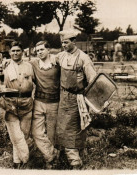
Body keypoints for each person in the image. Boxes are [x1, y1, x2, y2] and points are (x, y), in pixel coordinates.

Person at [56, 30, 97, 169]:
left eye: (66, 42)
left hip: (78, 98)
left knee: (75, 129)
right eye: (62, 42)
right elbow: (44, 61)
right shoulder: (60, 56)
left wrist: (93, 99)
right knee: (63, 128)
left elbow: (93, 79)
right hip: (63, 97)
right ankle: (67, 157)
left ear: (74, 42)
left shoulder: (84, 58)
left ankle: (76, 162)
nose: (63, 45)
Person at [2, 41, 34, 169]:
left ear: (23, 52)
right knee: (16, 135)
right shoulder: (4, 67)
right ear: (9, 53)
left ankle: (19, 163)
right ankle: (22, 160)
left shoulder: (30, 66)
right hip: (11, 105)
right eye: (13, 51)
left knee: (24, 135)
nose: (15, 53)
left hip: (26, 105)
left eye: (18, 50)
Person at [29, 41, 60, 168]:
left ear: (48, 50)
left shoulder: (57, 62)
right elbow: (20, 64)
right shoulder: (34, 63)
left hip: (54, 103)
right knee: (36, 132)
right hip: (38, 102)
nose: (39, 52)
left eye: (42, 49)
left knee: (52, 133)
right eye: (37, 51)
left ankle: (50, 162)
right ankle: (51, 154)